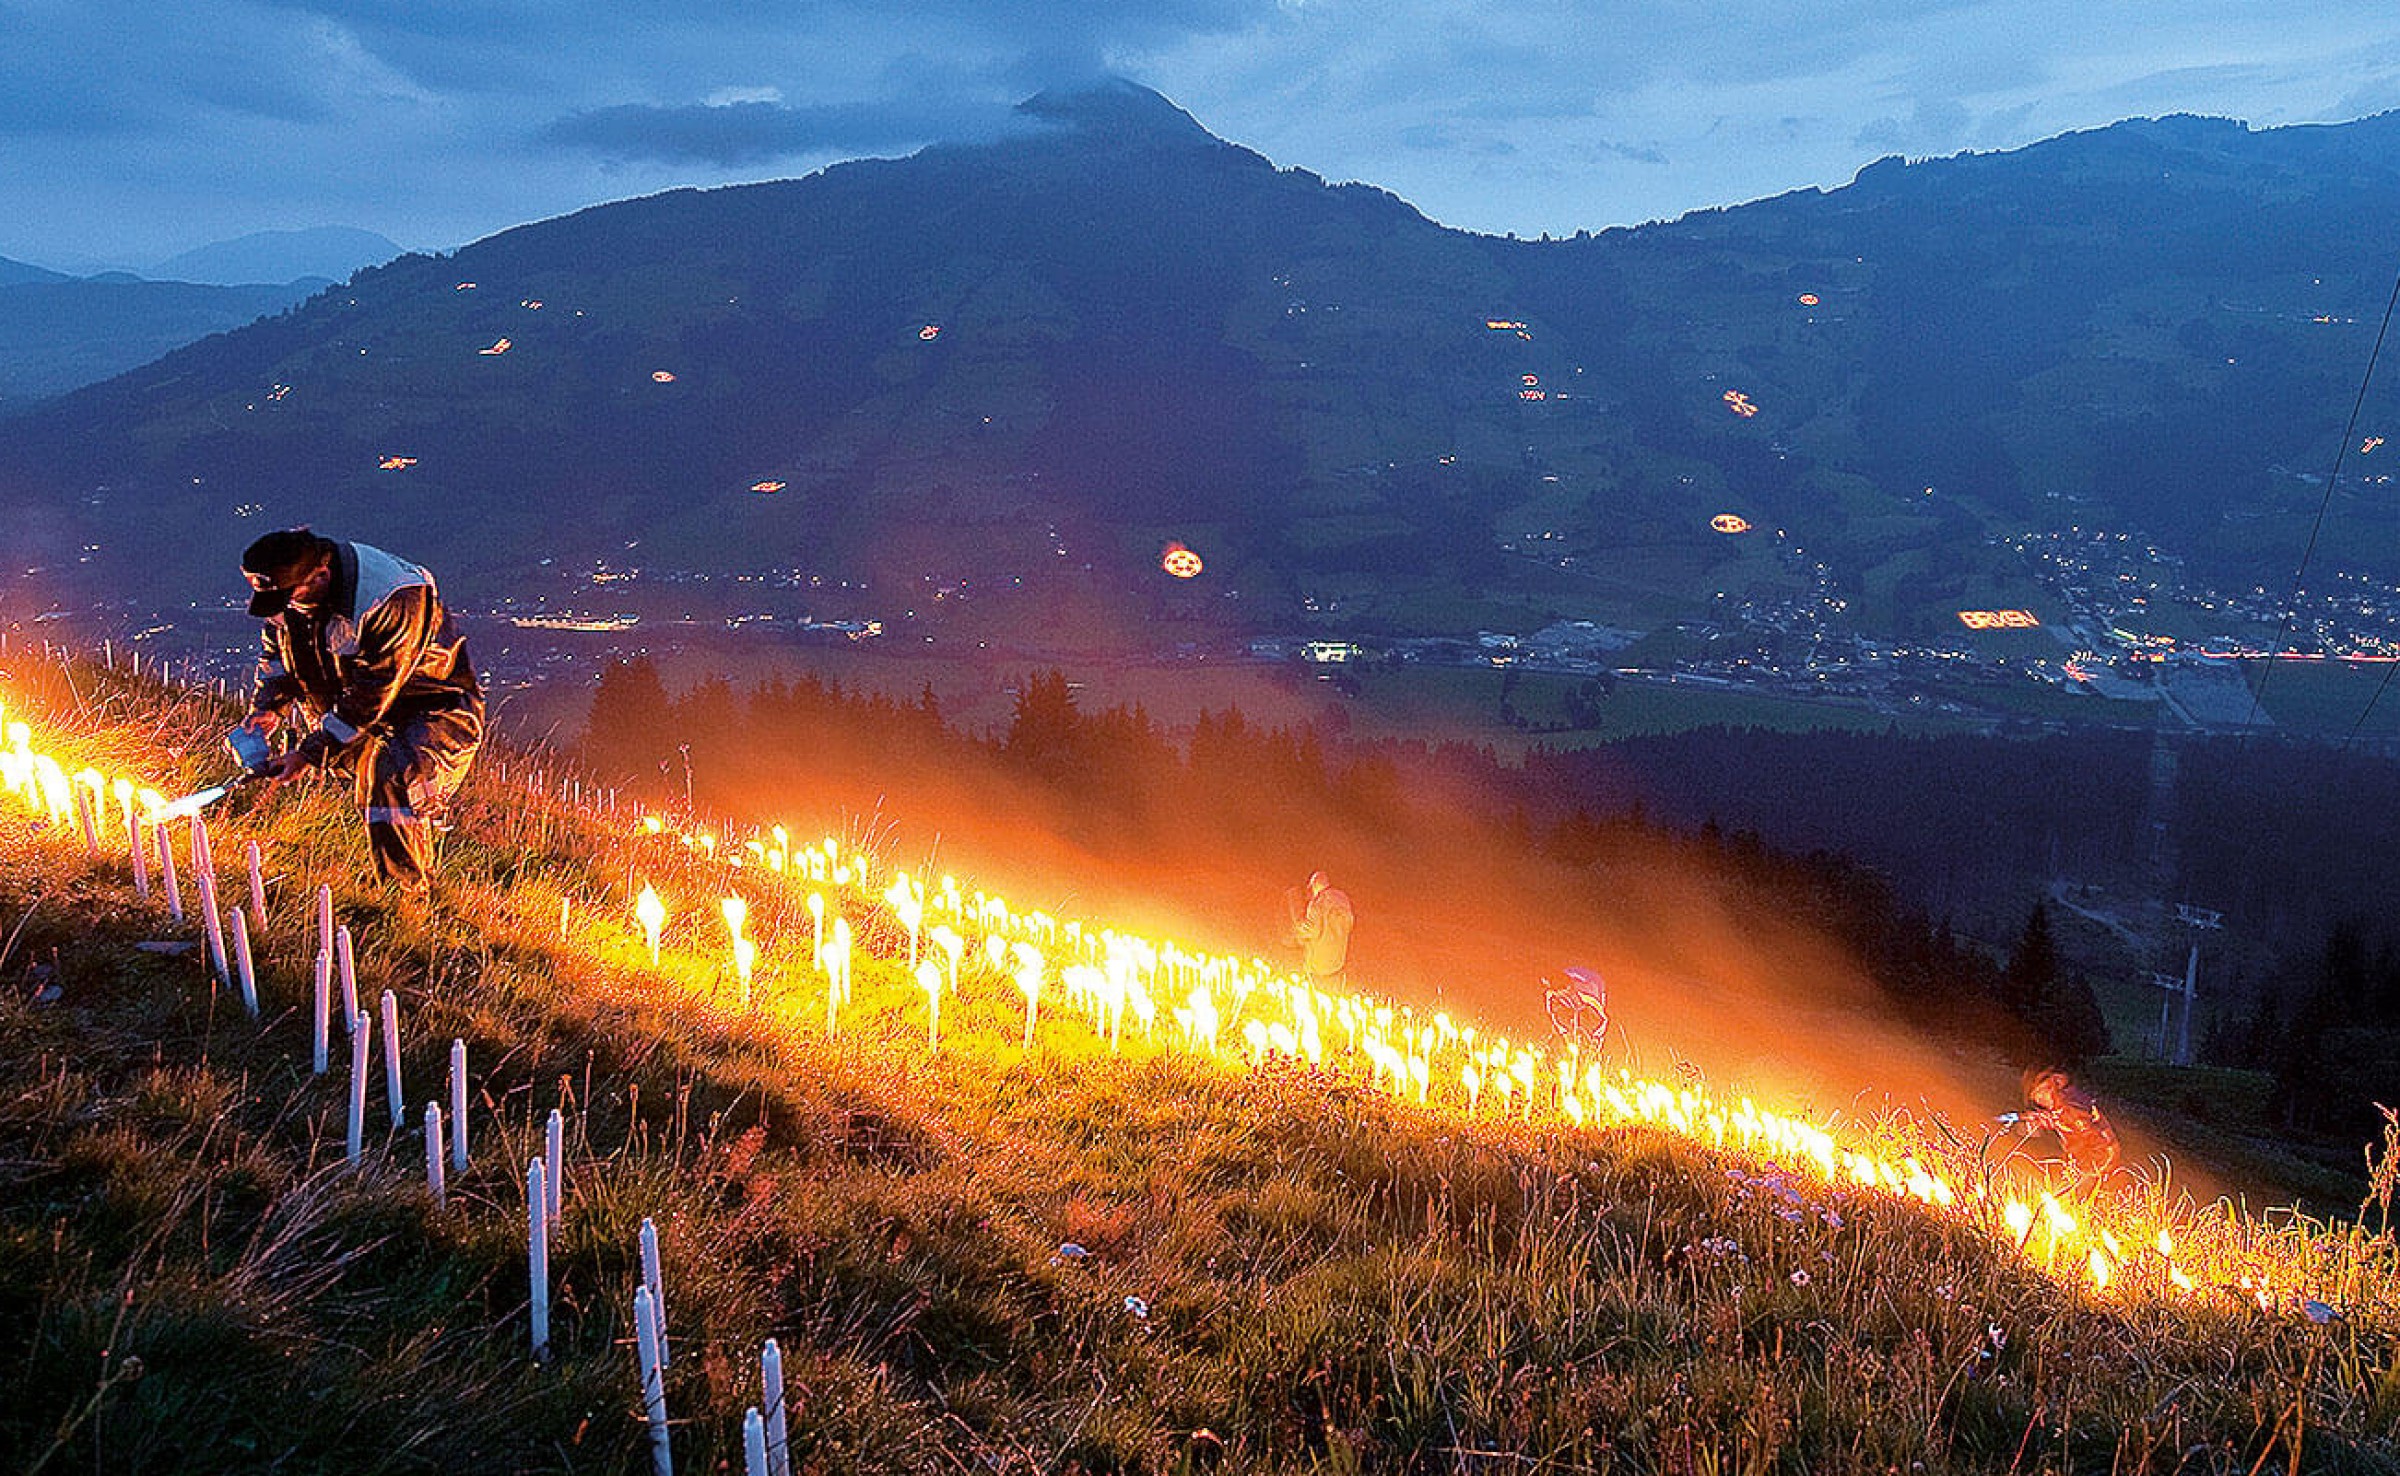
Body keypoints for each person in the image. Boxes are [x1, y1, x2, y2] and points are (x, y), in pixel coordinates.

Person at [237, 528, 483, 891]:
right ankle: (402, 878)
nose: (283, 608)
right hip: (356, 708)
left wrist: (308, 754)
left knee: (392, 778)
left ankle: (406, 900)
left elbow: (373, 694)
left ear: (320, 576)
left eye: (290, 597)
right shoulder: (287, 595)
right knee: (373, 788)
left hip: (432, 706)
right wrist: (270, 705)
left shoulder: (390, 597)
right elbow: (278, 657)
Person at [2020, 1068, 2121, 1178]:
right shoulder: (2059, 1111)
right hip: (2084, 1167)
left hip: (2099, 1168)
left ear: (2055, 1084)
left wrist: (2085, 1171)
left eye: (2042, 1092)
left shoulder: (2072, 1108)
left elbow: (2099, 1142)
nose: (2041, 1100)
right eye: (2037, 1098)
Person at [1287, 870, 1354, 988]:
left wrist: (1297, 925)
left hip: (1319, 967)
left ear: (1315, 885)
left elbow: (1310, 931)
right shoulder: (1343, 899)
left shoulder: (1317, 904)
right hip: (1337, 964)